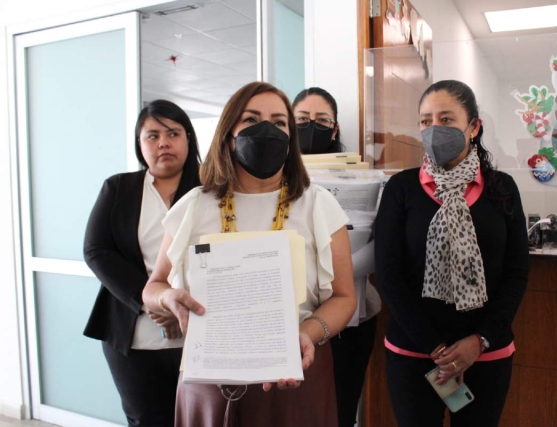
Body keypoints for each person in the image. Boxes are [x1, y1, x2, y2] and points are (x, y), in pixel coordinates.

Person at [141, 82, 357, 427]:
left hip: (295, 371)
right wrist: (168, 297)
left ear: (290, 139)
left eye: (279, 122)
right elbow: (153, 286)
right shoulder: (195, 205)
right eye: (252, 119)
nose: (266, 130)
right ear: (229, 134)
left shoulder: (318, 204)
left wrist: (306, 334)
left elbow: (345, 297)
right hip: (209, 375)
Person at [375, 80, 529, 426]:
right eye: (425, 121)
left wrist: (480, 340)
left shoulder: (502, 188)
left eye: (446, 119)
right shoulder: (401, 188)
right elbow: (389, 273)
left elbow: (517, 271)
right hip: (414, 353)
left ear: (473, 127)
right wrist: (437, 349)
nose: (433, 129)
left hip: (487, 354)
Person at [83, 100, 201, 426]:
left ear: (188, 139)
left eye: (173, 133)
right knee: (146, 419)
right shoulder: (119, 188)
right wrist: (153, 301)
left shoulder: (211, 189)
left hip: (199, 331)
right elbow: (96, 250)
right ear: (139, 144)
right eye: (152, 135)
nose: (163, 142)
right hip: (131, 335)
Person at [293, 87, 380, 427]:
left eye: (321, 120)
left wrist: (332, 274)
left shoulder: (363, 176)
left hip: (353, 318)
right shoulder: (268, 177)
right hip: (293, 317)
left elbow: (381, 244)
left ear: (335, 128)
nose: (311, 126)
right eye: (302, 120)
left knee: (341, 410)